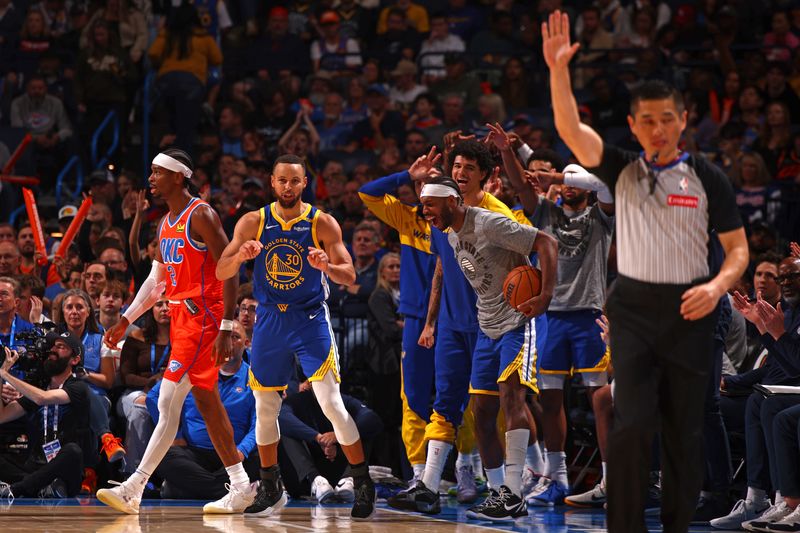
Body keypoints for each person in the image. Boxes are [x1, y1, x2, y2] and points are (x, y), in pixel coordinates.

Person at [542, 12, 749, 533]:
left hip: (694, 304)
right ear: (633, 126)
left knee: (684, 428)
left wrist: (717, 285)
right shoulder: (621, 169)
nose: (658, 128)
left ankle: (689, 515)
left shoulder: (709, 177)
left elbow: (739, 252)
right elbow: (570, 129)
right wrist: (558, 71)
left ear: (683, 119)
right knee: (631, 425)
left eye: (667, 118)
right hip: (633, 306)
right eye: (647, 121)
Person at [215, 154, 376, 520]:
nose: (288, 187)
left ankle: (363, 482)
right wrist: (240, 254)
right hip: (270, 320)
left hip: (309, 319)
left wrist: (327, 266)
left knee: (332, 404)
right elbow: (221, 268)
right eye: (282, 181)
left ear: (305, 184)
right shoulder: (254, 221)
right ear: (272, 183)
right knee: (265, 408)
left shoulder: (322, 222)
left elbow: (350, 276)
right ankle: (270, 487)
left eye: (295, 181)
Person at [97, 148, 255, 515]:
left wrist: (227, 326)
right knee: (205, 402)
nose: (150, 179)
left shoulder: (200, 214)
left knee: (167, 401)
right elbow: (157, 280)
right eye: (150, 172)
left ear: (179, 176)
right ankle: (243, 484)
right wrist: (127, 318)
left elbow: (229, 267)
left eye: (157, 172)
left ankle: (134, 486)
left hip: (204, 316)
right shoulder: (165, 222)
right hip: (183, 316)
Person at [420, 176, 557, 521]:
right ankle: (498, 493)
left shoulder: (490, 223)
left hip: (518, 322)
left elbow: (547, 243)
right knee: (481, 412)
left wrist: (545, 295)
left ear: (451, 201)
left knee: (512, 397)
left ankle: (514, 492)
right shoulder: (450, 236)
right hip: (486, 328)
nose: (425, 212)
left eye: (430, 205)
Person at [498, 140, 614, 507]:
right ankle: (556, 475)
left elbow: (607, 183)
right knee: (549, 399)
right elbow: (519, 185)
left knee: (602, 399)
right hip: (551, 317)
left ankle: (612, 479)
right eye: (566, 180)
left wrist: (552, 169)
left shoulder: (601, 214)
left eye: (575, 180)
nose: (569, 185)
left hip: (589, 316)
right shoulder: (545, 211)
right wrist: (509, 152)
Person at [149, 321, 259, 501]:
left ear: (247, 344)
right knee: (162, 454)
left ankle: (189, 489)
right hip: (195, 453)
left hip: (234, 454)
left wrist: (242, 450)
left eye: (235, 337)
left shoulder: (254, 378)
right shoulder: (197, 369)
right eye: (225, 337)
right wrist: (175, 434)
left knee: (261, 458)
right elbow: (153, 397)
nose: (229, 343)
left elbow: (259, 424)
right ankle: (229, 491)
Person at [0, 333, 93, 499]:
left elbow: (42, 398)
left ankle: (17, 489)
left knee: (73, 451)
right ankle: (41, 487)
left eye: (61, 347)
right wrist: (0, 375)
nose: (53, 349)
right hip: (35, 466)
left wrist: (7, 375)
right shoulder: (39, 387)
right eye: (53, 346)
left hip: (65, 470)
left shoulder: (79, 388)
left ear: (75, 360)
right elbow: (2, 416)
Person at [278, 386, 383, 503]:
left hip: (338, 469)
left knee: (365, 431)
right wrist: (317, 438)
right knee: (286, 431)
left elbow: (373, 420)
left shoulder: (343, 400)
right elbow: (281, 418)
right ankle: (316, 481)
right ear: (310, 382)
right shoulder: (297, 401)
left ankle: (348, 479)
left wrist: (337, 436)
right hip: (305, 478)